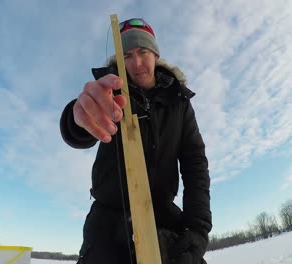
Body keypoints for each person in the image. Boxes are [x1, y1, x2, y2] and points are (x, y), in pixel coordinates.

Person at [60, 18, 212, 264]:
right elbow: (81, 127)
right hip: (107, 225)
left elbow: (195, 164)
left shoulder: (179, 102)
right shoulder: (109, 93)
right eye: (128, 55)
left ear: (155, 54)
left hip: (163, 219)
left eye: (143, 52)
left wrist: (197, 228)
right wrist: (77, 118)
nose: (137, 63)